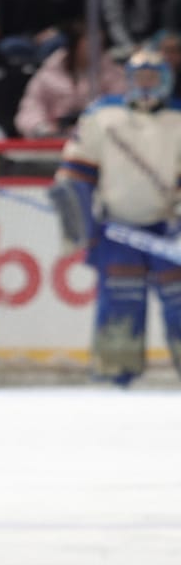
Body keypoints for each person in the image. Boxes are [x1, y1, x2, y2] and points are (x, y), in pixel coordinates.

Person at [52, 47, 181, 385]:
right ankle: (115, 374)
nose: (146, 85)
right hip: (118, 228)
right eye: (140, 78)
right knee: (120, 303)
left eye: (153, 77)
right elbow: (76, 173)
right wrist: (74, 214)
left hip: (170, 230)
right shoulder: (101, 117)